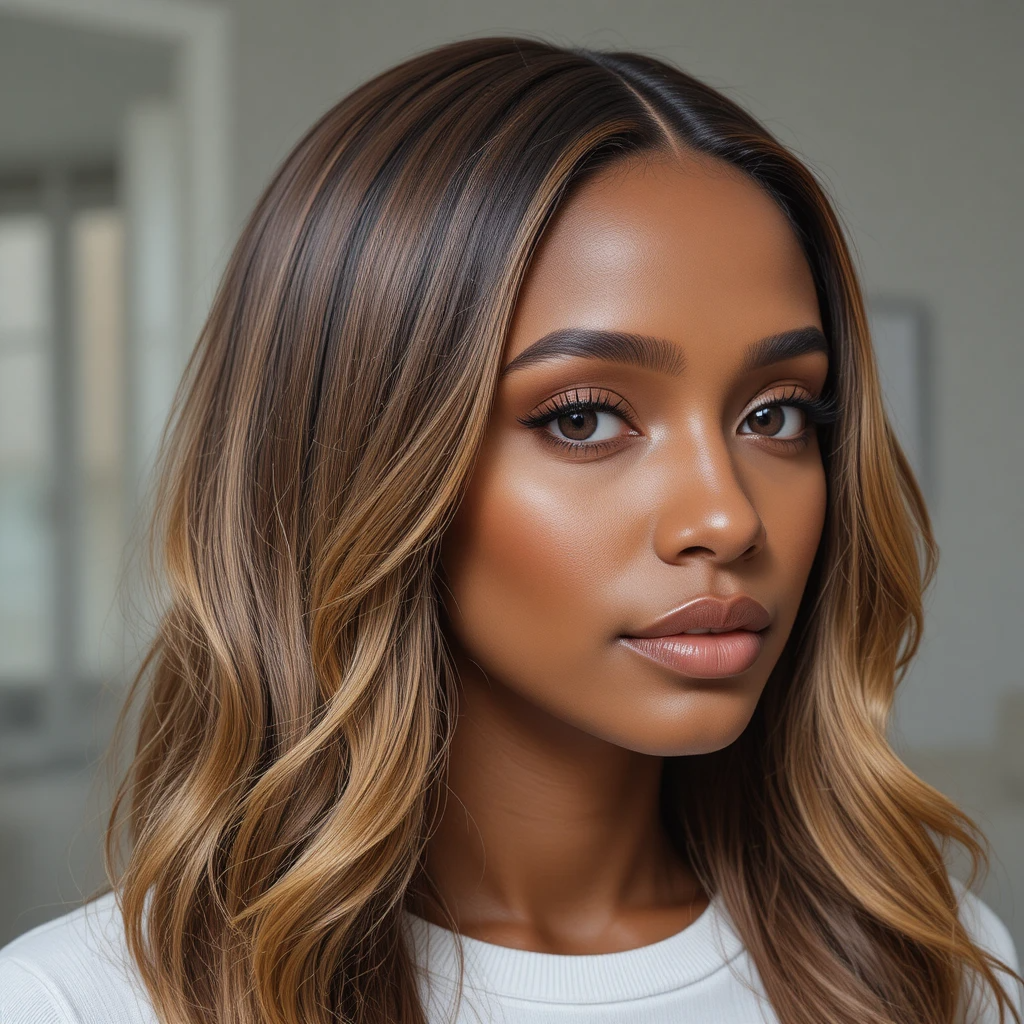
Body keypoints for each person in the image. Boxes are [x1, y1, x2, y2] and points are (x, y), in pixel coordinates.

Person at [0, 36, 1021, 1024]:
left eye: (777, 414)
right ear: (359, 459)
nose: (726, 515)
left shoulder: (930, 965)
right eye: (582, 417)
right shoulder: (83, 1005)